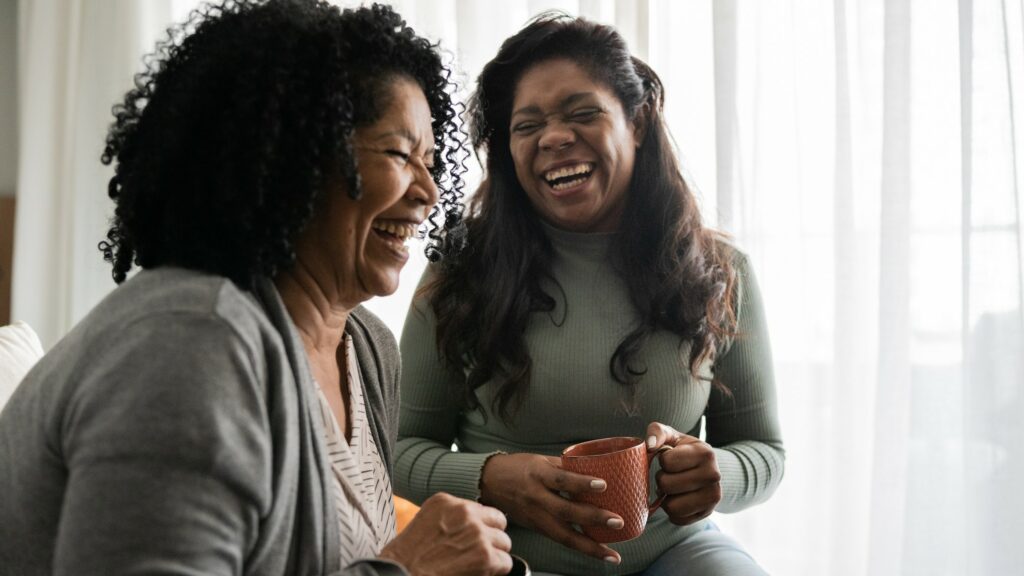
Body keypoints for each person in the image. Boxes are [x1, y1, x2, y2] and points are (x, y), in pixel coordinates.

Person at [0, 2, 514, 575]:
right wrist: (411, 570)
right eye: (399, 153)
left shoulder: (367, 348)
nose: (428, 190)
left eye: (430, 160)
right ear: (293, 158)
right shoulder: (190, 345)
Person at [394, 13, 784, 576]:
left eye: (582, 113)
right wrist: (489, 476)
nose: (554, 137)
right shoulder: (461, 270)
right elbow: (398, 449)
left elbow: (764, 450)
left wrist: (720, 473)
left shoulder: (721, 269)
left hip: (676, 551)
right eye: (527, 126)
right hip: (512, 556)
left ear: (638, 123)